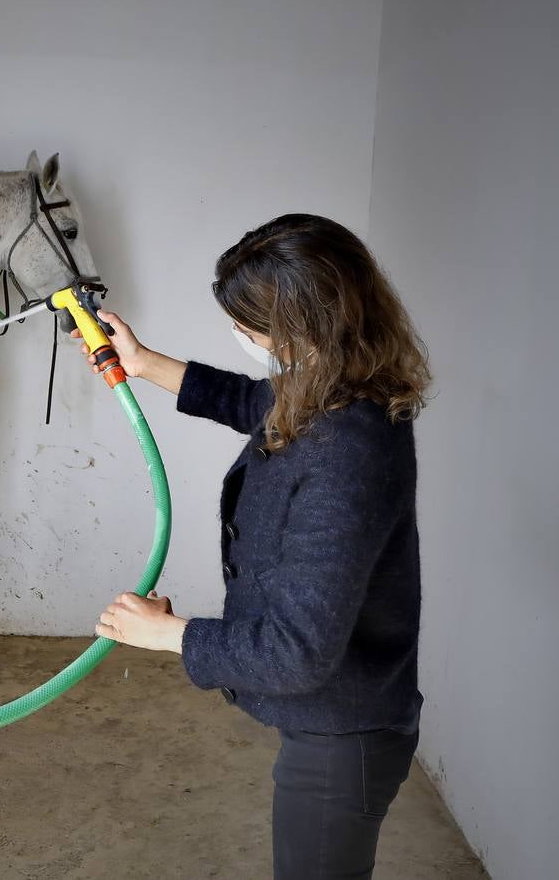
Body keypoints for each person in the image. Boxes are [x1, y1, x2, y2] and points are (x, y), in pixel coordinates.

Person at [80, 214, 431, 880]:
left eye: (246, 325)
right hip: (340, 720)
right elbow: (255, 400)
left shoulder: (346, 452)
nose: (239, 337)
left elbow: (297, 653)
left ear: (301, 330)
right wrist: (145, 364)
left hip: (342, 736)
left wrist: (169, 635)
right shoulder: (344, 380)